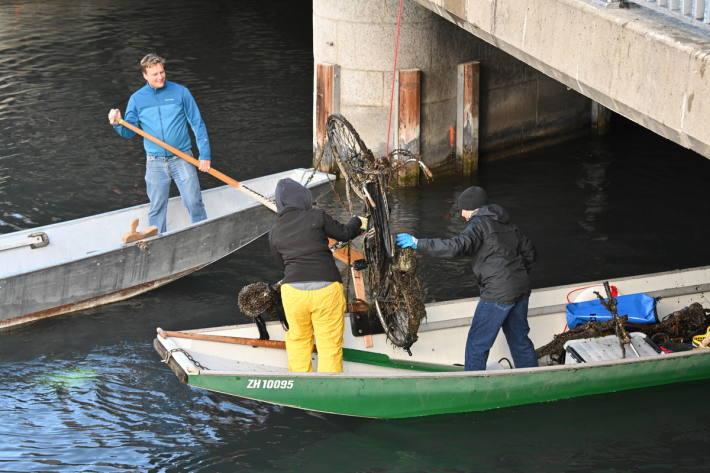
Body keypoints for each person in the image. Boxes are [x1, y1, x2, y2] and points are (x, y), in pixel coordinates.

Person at [395, 186, 538, 371]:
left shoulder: (478, 224)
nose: (462, 215)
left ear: (471, 208)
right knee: (519, 339)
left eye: (462, 210)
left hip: (497, 291)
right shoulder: (507, 224)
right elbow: (530, 254)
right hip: (521, 288)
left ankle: (474, 387)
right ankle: (532, 377)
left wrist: (417, 243)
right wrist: (516, 276)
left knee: (477, 343)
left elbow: (456, 246)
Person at [108, 53, 210, 233]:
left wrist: (205, 155)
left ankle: (203, 234)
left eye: (162, 72)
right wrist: (116, 123)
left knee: (194, 201)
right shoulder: (137, 99)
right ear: (145, 75)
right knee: (156, 207)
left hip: (182, 157)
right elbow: (128, 133)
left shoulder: (180, 92)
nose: (160, 77)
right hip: (155, 161)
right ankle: (157, 243)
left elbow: (197, 123)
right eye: (154, 74)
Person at [269, 178, 363, 373]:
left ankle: (301, 389)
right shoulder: (316, 215)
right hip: (326, 288)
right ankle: (330, 390)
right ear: (303, 197)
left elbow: (281, 264)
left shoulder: (274, 231)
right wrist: (357, 220)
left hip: (293, 292)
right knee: (329, 344)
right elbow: (345, 233)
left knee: (298, 340)